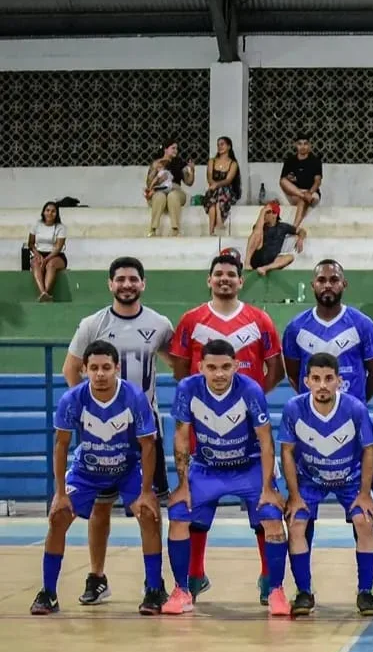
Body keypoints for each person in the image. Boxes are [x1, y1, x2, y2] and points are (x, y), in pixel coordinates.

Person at [170, 253, 284, 604]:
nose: (224, 279)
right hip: (205, 435)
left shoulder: (259, 319)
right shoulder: (191, 320)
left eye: (231, 274)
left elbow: (275, 368)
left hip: (248, 436)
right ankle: (192, 576)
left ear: (240, 280)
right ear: (209, 280)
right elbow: (179, 368)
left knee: (264, 511)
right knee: (194, 510)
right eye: (218, 273)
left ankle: (270, 580)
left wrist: (249, 402)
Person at [62, 256, 174, 607]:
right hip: (102, 431)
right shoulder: (92, 324)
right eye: (120, 279)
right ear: (110, 284)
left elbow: (179, 364)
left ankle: (153, 585)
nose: (127, 284)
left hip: (143, 431)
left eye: (133, 279)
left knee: (149, 507)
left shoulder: (159, 324)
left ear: (143, 283)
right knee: (99, 507)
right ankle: (97, 577)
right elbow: (71, 370)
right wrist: (89, 411)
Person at [30, 341, 163, 615]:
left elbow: (148, 445)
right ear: (84, 369)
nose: (100, 373)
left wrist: (147, 491)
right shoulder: (73, 399)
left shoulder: (134, 397)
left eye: (106, 367)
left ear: (117, 368)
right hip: (86, 471)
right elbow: (61, 445)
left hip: (126, 468)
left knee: (149, 514)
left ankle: (153, 589)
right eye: (94, 368)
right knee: (58, 518)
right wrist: (60, 493)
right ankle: (48, 593)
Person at [163, 340, 285, 616]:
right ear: (201, 366)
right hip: (206, 468)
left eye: (226, 367)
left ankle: (276, 589)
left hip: (248, 467)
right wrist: (182, 485)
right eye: (212, 367)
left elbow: (266, 440)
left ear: (236, 366)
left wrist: (268, 487)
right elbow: (181, 437)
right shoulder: (188, 390)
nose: (219, 374)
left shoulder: (250, 390)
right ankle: (182, 589)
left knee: (273, 518)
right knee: (180, 515)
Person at [279, 353, 373, 616]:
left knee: (364, 521)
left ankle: (366, 592)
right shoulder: (293, 408)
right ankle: (303, 592)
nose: (323, 384)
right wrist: (294, 495)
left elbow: (370, 450)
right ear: (307, 381)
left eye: (329, 379)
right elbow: (286, 451)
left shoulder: (355, 409)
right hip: (311, 479)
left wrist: (366, 493)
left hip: (349, 479)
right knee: (297, 522)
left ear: (339, 381)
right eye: (316, 378)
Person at [282, 260, 373, 401]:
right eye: (321, 280)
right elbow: (293, 374)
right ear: (313, 286)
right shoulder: (295, 328)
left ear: (344, 284)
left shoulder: (363, 325)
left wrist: (357, 401)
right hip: (310, 417)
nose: (328, 285)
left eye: (334, 280)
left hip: (351, 416)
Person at [144, 140, 195, 236]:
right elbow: (149, 183)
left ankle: (175, 229)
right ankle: (153, 229)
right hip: (159, 190)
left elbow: (189, 182)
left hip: (175, 190)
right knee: (159, 196)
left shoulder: (180, 163)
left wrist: (192, 171)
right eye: (173, 148)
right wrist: (156, 174)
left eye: (177, 148)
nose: (176, 150)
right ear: (165, 149)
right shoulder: (157, 163)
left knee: (173, 195)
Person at [244, 201, 307, 277]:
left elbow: (301, 231)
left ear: (275, 214)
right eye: (264, 212)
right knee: (256, 234)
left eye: (267, 212)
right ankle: (247, 263)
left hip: (272, 262)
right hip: (258, 257)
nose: (264, 215)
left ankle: (265, 268)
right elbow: (256, 234)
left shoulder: (283, 227)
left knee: (290, 257)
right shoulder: (260, 226)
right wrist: (262, 212)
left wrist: (301, 239)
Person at [279, 134, 323, 227]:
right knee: (283, 181)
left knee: (303, 201)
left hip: (311, 193)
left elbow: (317, 181)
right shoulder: (289, 161)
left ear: (310, 145)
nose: (302, 147)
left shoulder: (315, 161)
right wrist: (303, 195)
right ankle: (303, 195)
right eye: (300, 144)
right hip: (294, 193)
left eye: (305, 144)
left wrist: (310, 193)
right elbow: (284, 183)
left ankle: (294, 227)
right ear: (296, 145)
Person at [27, 201, 67, 302]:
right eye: (47, 210)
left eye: (53, 211)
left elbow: (58, 247)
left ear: (56, 213)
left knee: (51, 265)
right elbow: (30, 244)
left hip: (56, 255)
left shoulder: (60, 227)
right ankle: (43, 293)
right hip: (39, 253)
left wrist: (46, 260)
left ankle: (46, 292)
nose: (50, 213)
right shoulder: (37, 225)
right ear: (43, 212)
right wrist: (37, 255)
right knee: (35, 263)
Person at [202, 136, 241, 234]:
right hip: (213, 191)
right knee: (213, 197)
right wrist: (213, 185)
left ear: (229, 146)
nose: (220, 147)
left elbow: (228, 180)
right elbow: (209, 177)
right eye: (218, 145)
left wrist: (216, 185)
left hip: (227, 192)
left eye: (222, 144)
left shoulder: (233, 163)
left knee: (219, 190)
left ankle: (216, 223)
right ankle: (212, 230)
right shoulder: (212, 161)